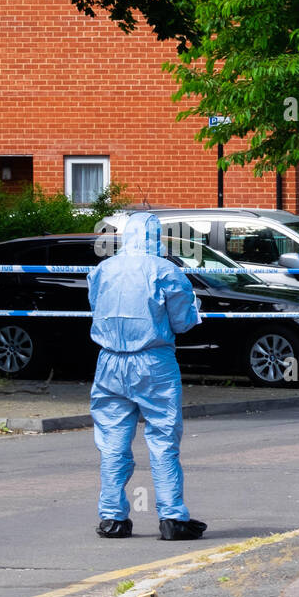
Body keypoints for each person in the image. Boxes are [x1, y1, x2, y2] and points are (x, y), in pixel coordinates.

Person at [88, 212, 207, 541]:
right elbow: (183, 322)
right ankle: (171, 517)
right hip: (153, 362)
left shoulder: (103, 270)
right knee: (163, 440)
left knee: (112, 443)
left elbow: (95, 306)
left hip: (109, 361)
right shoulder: (166, 271)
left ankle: (112, 517)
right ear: (157, 237)